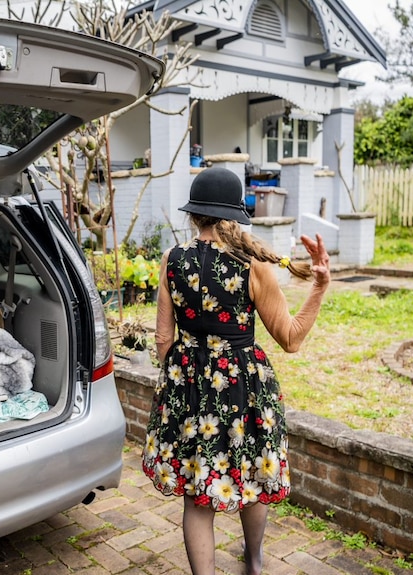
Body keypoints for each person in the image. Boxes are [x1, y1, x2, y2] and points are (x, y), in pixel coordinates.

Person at [141, 167, 330, 575]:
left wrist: (186, 369)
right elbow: (291, 338)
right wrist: (318, 288)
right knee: (254, 474)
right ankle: (255, 564)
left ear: (194, 216)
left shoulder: (172, 260)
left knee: (196, 495)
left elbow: (162, 340)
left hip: (187, 386)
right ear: (235, 216)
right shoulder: (253, 266)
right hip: (244, 387)